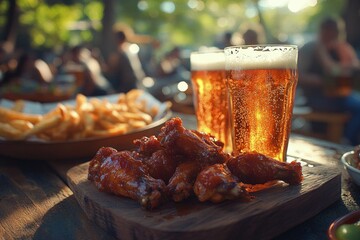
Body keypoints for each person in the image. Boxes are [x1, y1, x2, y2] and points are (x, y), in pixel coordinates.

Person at [298, 17, 360, 145]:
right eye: (328, 30)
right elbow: (298, 75)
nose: (331, 34)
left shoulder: (341, 47)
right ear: (322, 30)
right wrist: (319, 81)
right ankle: (346, 143)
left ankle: (347, 140)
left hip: (339, 94)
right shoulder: (311, 47)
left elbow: (352, 67)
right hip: (316, 97)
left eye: (334, 31)